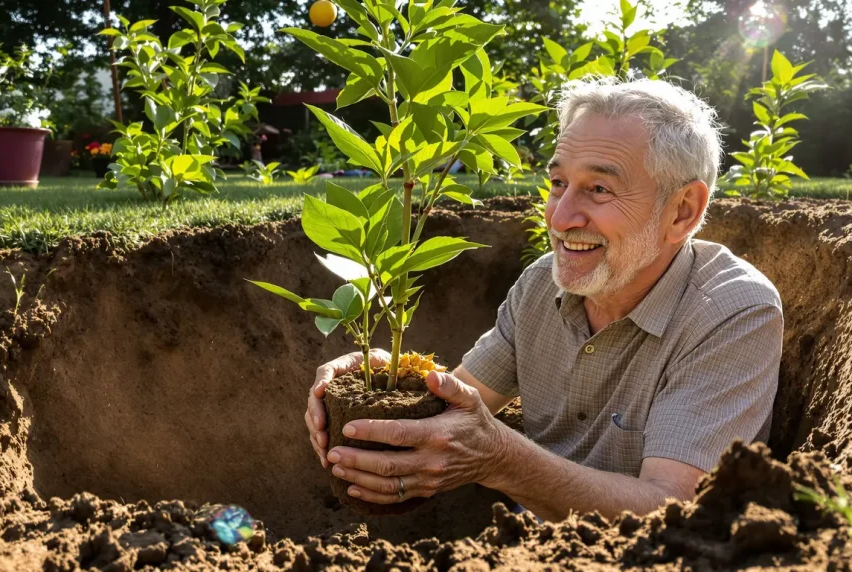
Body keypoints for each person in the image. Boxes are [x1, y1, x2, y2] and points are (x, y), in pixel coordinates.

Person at [304, 77, 783, 522]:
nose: (561, 217)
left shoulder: (732, 312)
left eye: (598, 189)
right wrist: (388, 376)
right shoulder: (541, 286)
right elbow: (457, 404)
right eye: (558, 184)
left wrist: (499, 459)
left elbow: (674, 507)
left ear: (682, 211)